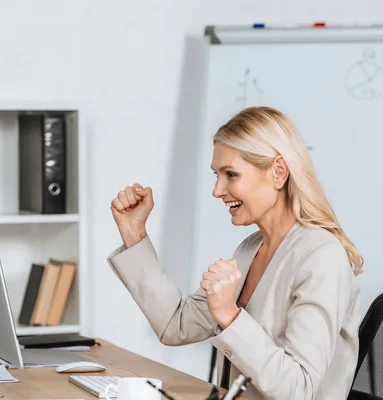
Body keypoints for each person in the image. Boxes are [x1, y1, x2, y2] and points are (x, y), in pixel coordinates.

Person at [106, 106, 363, 400]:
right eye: (216, 175)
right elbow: (175, 325)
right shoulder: (251, 248)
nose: (217, 190)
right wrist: (133, 233)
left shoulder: (321, 257)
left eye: (231, 174)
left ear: (278, 172)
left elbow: (299, 389)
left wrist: (229, 314)